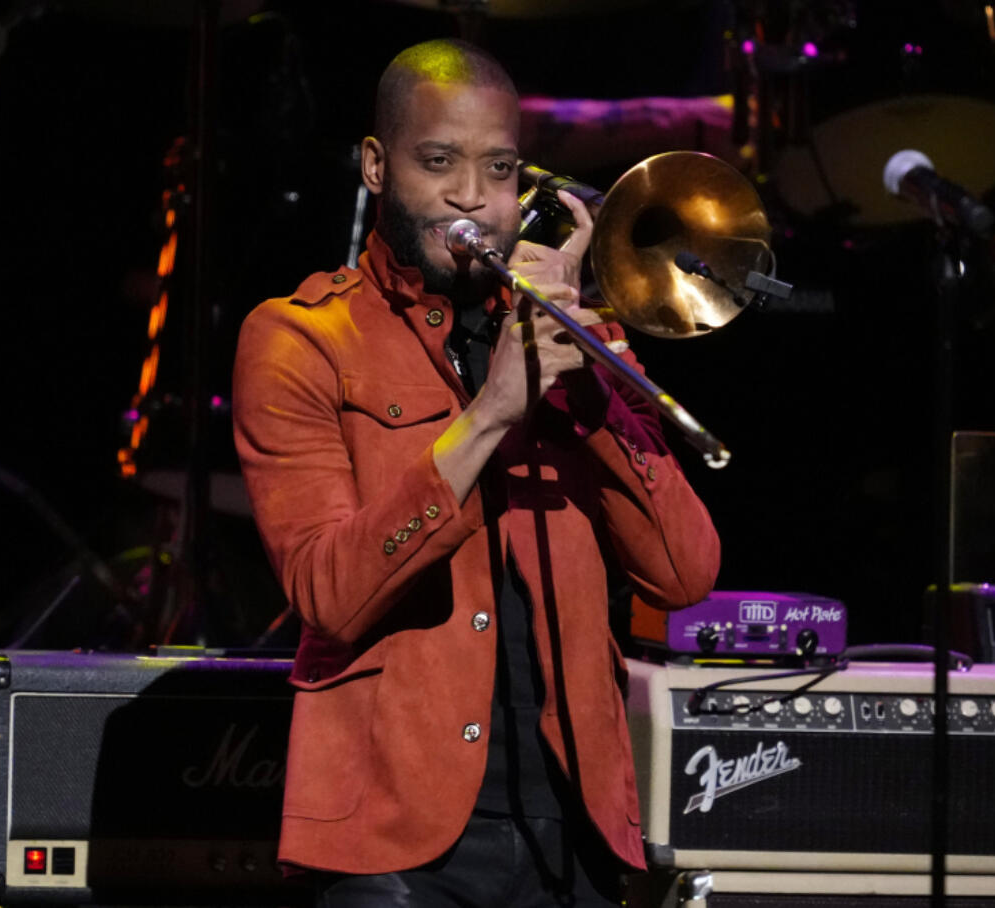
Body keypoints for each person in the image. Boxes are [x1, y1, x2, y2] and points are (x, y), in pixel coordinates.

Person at [232, 37, 720, 908]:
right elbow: (328, 593)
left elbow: (684, 572)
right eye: (438, 163)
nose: (471, 198)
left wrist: (593, 374)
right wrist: (491, 409)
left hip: (576, 829)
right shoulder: (299, 339)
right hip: (392, 847)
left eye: (498, 169)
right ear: (376, 167)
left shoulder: (568, 344)